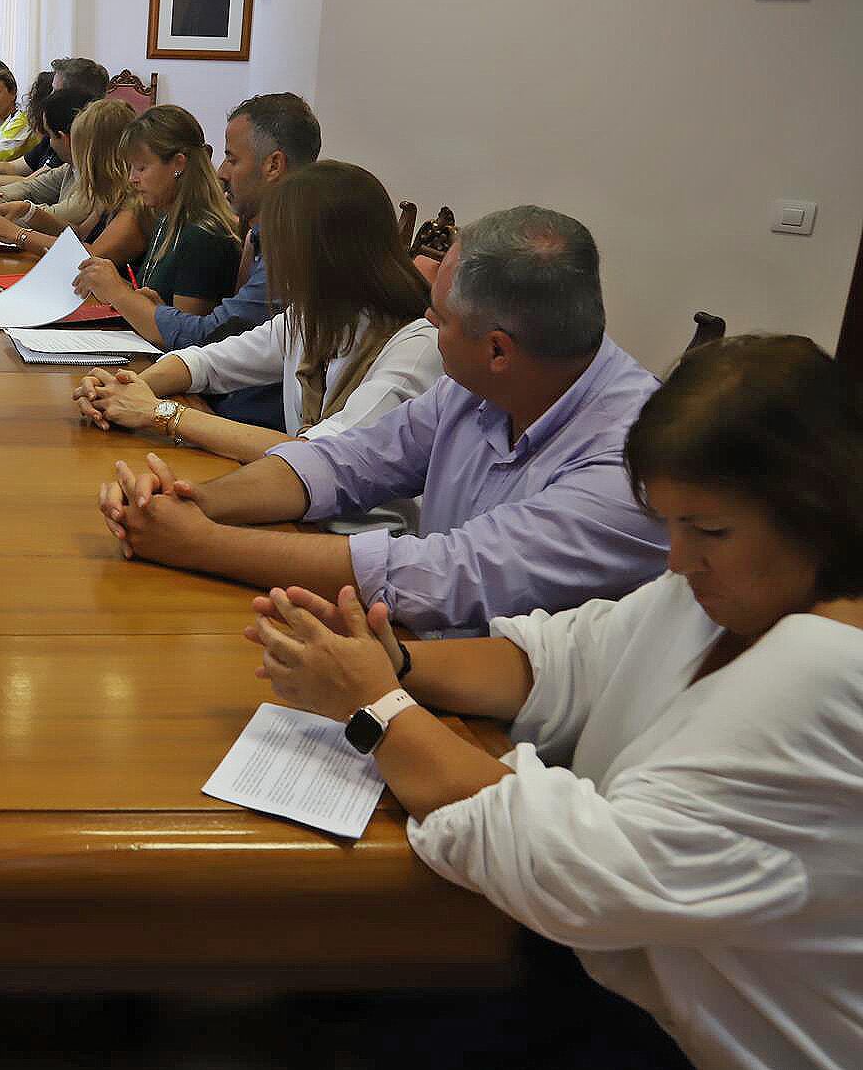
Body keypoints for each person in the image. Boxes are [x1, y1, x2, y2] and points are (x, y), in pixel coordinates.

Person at [245, 335, 863, 1070]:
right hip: (625, 980)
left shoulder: (827, 668)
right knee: (332, 992)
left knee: (337, 1005)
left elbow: (584, 871)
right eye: (669, 524)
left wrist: (374, 708)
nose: (676, 559)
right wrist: (398, 662)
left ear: (817, 507)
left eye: (709, 530)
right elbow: (562, 658)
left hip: (687, 1038)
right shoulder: (732, 592)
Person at [98, 206, 669, 636]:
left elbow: (444, 573)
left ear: (498, 350)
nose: (425, 323)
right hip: (414, 657)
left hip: (529, 753)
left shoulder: (633, 463)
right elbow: (345, 462)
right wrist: (187, 503)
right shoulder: (485, 384)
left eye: (439, 317)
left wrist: (200, 544)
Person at [74, 162, 441, 530]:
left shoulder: (414, 347)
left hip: (356, 545)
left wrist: (160, 413)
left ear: (324, 251)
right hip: (292, 516)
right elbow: (209, 363)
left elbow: (318, 456)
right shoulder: (315, 315)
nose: (271, 259)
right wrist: (128, 389)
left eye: (278, 242)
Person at [150, 91, 322, 430]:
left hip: (247, 428)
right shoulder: (262, 233)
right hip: (222, 410)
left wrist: (121, 295)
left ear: (273, 165)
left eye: (232, 158)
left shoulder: (295, 246)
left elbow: (212, 336)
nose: (221, 172)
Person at [71, 105, 240, 344]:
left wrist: (117, 290)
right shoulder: (166, 217)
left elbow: (185, 340)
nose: (132, 178)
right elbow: (155, 301)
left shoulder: (203, 236)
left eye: (141, 168)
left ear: (178, 164)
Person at [0, 95, 143, 262]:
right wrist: (28, 210)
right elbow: (79, 235)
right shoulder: (110, 192)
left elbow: (89, 255)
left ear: (94, 156)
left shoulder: (135, 202)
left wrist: (18, 235)